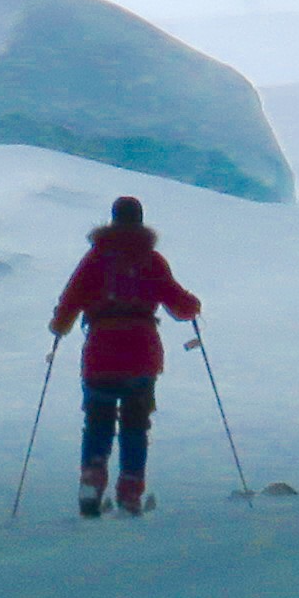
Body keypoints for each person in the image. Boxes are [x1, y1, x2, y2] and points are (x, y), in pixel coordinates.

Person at [51, 195, 201, 518]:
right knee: (135, 424)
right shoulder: (152, 261)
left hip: (101, 353)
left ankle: (91, 485)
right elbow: (180, 305)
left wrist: (59, 327)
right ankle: (130, 493)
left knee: (97, 422)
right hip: (141, 353)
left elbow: (71, 300)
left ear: (113, 220)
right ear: (140, 221)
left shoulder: (95, 259)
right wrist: (193, 306)